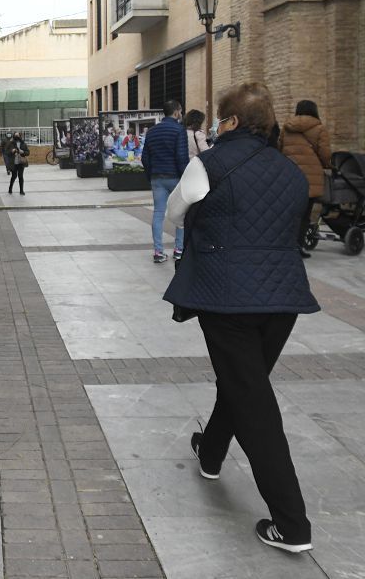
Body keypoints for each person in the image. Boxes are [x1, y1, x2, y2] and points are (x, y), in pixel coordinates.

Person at [163, 82, 319, 554]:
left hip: (227, 299)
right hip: (283, 300)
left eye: (218, 120)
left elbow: (174, 215)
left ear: (230, 123)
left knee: (253, 402)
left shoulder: (207, 164)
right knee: (243, 382)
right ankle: (210, 451)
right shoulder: (291, 171)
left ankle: (292, 524)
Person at [279, 100, 331, 259]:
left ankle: (284, 244)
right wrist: (328, 165)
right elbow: (325, 154)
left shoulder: (286, 128)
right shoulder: (319, 128)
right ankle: (298, 246)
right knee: (304, 213)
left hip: (288, 175)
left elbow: (279, 149)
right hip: (310, 177)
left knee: (289, 212)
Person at [142, 99, 188, 262]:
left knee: (158, 214)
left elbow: (145, 157)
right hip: (175, 177)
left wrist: (151, 175)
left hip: (157, 178)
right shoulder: (179, 130)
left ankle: (158, 252)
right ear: (176, 112)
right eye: (180, 111)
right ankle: (179, 249)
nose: (181, 114)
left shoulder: (152, 132)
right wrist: (185, 178)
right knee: (181, 214)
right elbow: (181, 156)